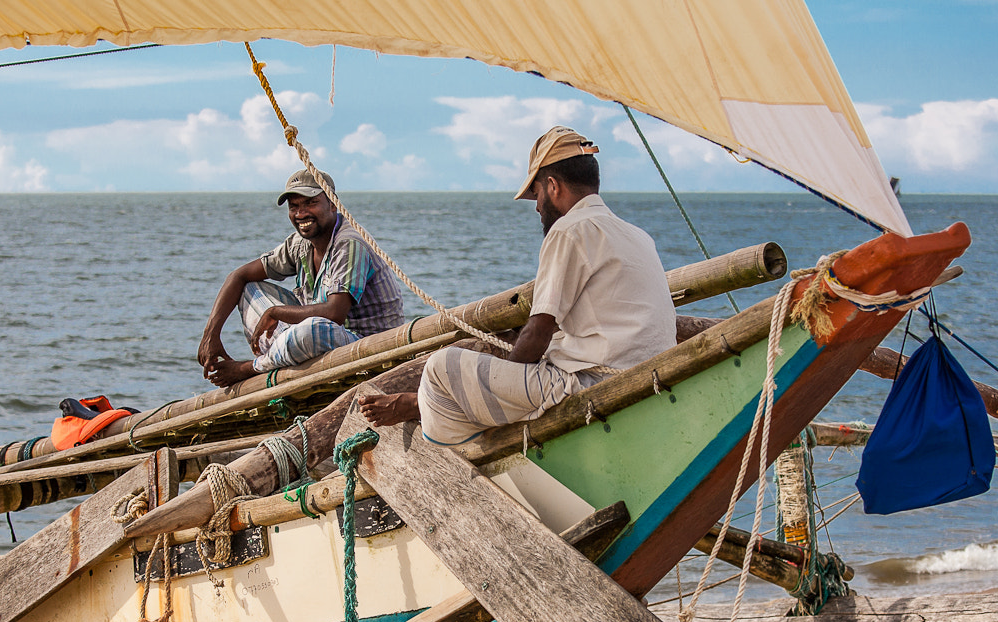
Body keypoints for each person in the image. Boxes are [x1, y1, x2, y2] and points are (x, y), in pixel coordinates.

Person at [358, 127, 676, 443]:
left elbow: (539, 329)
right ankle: (433, 406)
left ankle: (425, 410)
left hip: (595, 384)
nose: (537, 207)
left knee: (441, 367)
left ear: (552, 186)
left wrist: (510, 377)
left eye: (536, 194)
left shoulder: (569, 230)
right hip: (651, 377)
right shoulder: (637, 235)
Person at [197, 169, 404, 387]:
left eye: (310, 203)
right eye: (294, 207)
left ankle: (251, 367)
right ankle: (282, 356)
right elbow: (239, 276)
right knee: (250, 289)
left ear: (333, 204)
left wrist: (275, 312)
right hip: (317, 340)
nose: (301, 213)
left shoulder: (349, 242)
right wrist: (211, 335)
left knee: (310, 330)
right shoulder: (300, 244)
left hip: (367, 345)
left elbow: (334, 314)